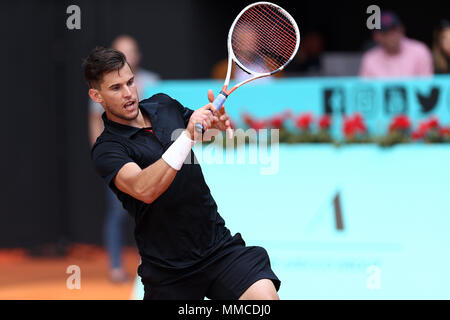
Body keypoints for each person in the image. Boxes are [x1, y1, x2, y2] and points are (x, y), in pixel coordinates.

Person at [83, 47, 281, 300]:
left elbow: (201, 131)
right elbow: (144, 189)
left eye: (130, 82)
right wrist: (188, 136)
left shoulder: (164, 105)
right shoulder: (108, 149)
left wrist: (216, 125)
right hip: (169, 272)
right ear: (96, 95)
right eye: (116, 88)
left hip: (218, 248)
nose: (128, 93)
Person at [88, 35, 160, 283]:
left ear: (138, 55)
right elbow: (95, 124)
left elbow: (160, 121)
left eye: (130, 51)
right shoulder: (103, 88)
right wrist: (107, 158)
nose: (127, 93)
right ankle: (116, 267)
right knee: (118, 214)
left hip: (150, 161)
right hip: (119, 161)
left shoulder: (153, 82)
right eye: (121, 52)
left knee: (153, 213)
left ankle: (150, 264)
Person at [359, 11, 433, 77]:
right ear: (376, 36)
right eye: (385, 32)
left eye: (394, 30)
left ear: (402, 29)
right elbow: (365, 89)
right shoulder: (370, 59)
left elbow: (426, 87)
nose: (391, 36)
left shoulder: (420, 51)